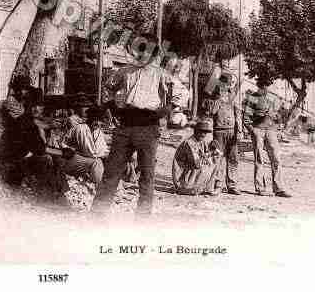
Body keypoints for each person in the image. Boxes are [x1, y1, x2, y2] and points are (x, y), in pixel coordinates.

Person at [92, 46, 170, 216]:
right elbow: (108, 87)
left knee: (147, 175)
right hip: (125, 125)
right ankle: (97, 216)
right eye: (139, 50)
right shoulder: (124, 71)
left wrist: (163, 112)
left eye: (147, 51)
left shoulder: (160, 74)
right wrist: (113, 105)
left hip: (148, 127)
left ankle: (142, 220)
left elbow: (181, 95)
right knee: (111, 172)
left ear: (154, 54)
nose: (141, 54)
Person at [17, 88, 68, 202]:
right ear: (27, 106)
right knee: (47, 158)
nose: (35, 109)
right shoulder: (25, 122)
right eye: (32, 105)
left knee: (57, 159)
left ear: (43, 107)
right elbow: (40, 149)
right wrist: (63, 152)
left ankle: (59, 193)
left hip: (32, 155)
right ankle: (46, 195)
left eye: (39, 106)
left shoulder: (37, 121)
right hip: (20, 160)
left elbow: (44, 125)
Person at [243, 82, 291, 198]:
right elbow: (246, 117)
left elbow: (280, 116)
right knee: (259, 160)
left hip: (271, 131)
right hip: (258, 130)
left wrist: (278, 122)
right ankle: (260, 188)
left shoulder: (274, 98)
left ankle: (279, 188)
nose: (265, 87)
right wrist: (252, 130)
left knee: (276, 159)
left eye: (267, 85)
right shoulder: (253, 98)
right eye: (262, 85)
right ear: (259, 85)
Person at [206, 72, 242, 195]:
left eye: (227, 83)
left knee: (233, 159)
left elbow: (238, 114)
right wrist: (218, 99)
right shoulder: (214, 97)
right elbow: (211, 111)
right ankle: (218, 185)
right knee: (218, 158)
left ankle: (232, 185)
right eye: (223, 83)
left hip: (232, 130)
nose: (225, 86)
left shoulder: (233, 96)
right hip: (219, 131)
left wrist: (240, 131)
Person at [61, 106, 109, 190]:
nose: (97, 123)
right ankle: (99, 188)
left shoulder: (98, 132)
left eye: (99, 121)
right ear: (90, 119)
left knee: (101, 160)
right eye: (95, 120)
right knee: (96, 162)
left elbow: (102, 149)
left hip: (85, 161)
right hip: (71, 161)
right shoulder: (81, 128)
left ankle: (100, 184)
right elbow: (90, 152)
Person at [172, 119, 222, 196]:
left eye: (205, 132)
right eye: (201, 132)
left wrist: (213, 150)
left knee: (216, 160)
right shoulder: (189, 143)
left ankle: (209, 188)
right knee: (208, 164)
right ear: (196, 131)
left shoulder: (201, 141)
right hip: (182, 177)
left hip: (190, 173)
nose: (204, 134)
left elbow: (206, 155)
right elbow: (197, 163)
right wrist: (211, 154)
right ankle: (190, 188)